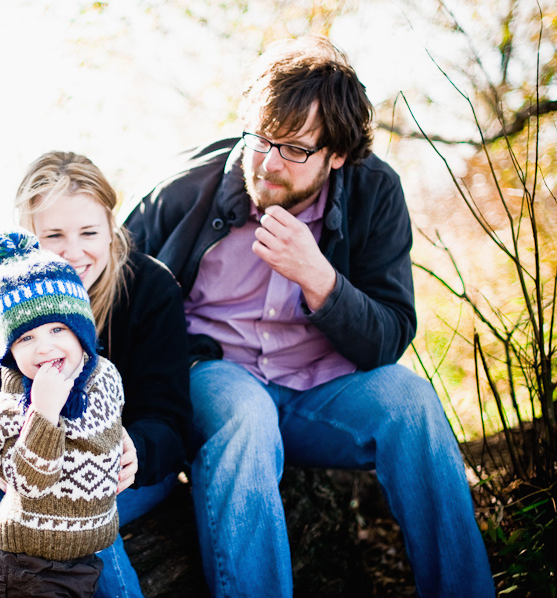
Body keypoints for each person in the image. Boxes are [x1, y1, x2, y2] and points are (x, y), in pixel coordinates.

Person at [124, 36, 495, 598]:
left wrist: (320, 279)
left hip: (322, 393)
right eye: (261, 139)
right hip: (217, 377)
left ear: (337, 154)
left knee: (411, 401)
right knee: (244, 413)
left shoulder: (376, 193)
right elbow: (116, 298)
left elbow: (389, 336)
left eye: (295, 149)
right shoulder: (183, 192)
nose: (268, 163)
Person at [0, 151, 192, 598]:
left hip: (116, 469)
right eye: (54, 235)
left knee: (81, 510)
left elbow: (169, 414)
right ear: (28, 235)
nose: (75, 251)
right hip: (16, 463)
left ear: (112, 227)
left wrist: (137, 449)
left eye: (89, 232)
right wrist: (3, 466)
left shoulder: (148, 287)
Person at [0, 230, 124, 598]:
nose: (45, 347)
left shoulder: (102, 376)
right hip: (31, 564)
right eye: (26, 338)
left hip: (87, 554)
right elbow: (27, 484)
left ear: (82, 332)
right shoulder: (11, 408)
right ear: (10, 350)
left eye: (58, 328)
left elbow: (108, 430)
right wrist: (43, 414)